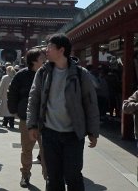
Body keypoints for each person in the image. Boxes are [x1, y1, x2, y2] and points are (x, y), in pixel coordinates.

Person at [27, 34, 100, 191]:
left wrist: (93, 132)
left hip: (73, 134)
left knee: (73, 176)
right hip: (49, 133)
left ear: (61, 50)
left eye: (50, 47)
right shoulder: (43, 73)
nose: (46, 50)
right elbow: (34, 100)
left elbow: (91, 104)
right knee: (53, 176)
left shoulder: (81, 74)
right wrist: (32, 125)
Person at [8, 48, 47, 187]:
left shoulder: (48, 73)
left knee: (47, 151)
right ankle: (25, 175)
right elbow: (12, 93)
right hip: (27, 119)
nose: (45, 59)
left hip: (46, 119)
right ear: (34, 60)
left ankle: (48, 178)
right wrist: (14, 111)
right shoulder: (21, 75)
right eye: (42, 57)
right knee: (27, 150)